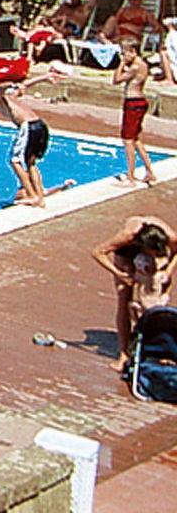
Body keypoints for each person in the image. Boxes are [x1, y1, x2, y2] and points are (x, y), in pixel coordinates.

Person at [94, 217, 175, 367]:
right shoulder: (127, 236)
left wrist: (169, 271)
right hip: (126, 254)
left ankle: (163, 349)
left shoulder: (170, 236)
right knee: (124, 298)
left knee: (158, 300)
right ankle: (124, 353)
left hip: (148, 249)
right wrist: (119, 274)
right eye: (153, 253)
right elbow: (97, 252)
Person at [0, 83, 49, 207]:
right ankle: (39, 197)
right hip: (40, 126)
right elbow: (24, 85)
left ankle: (33, 196)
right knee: (30, 163)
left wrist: (8, 84)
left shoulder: (1, 99)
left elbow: (0, 89)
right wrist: (45, 78)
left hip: (29, 127)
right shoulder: (11, 97)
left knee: (14, 161)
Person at [116, 39, 157, 186]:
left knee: (128, 140)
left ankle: (131, 177)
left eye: (124, 53)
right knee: (136, 139)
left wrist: (121, 64)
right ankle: (149, 171)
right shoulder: (142, 64)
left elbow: (116, 79)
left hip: (133, 103)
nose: (123, 56)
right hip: (140, 102)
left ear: (133, 51)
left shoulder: (135, 66)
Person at [15, 0, 91, 60]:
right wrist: (49, 21)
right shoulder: (65, 7)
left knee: (48, 30)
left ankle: (27, 35)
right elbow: (53, 18)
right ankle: (30, 37)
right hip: (55, 27)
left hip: (69, 29)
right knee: (42, 26)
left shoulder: (83, 8)